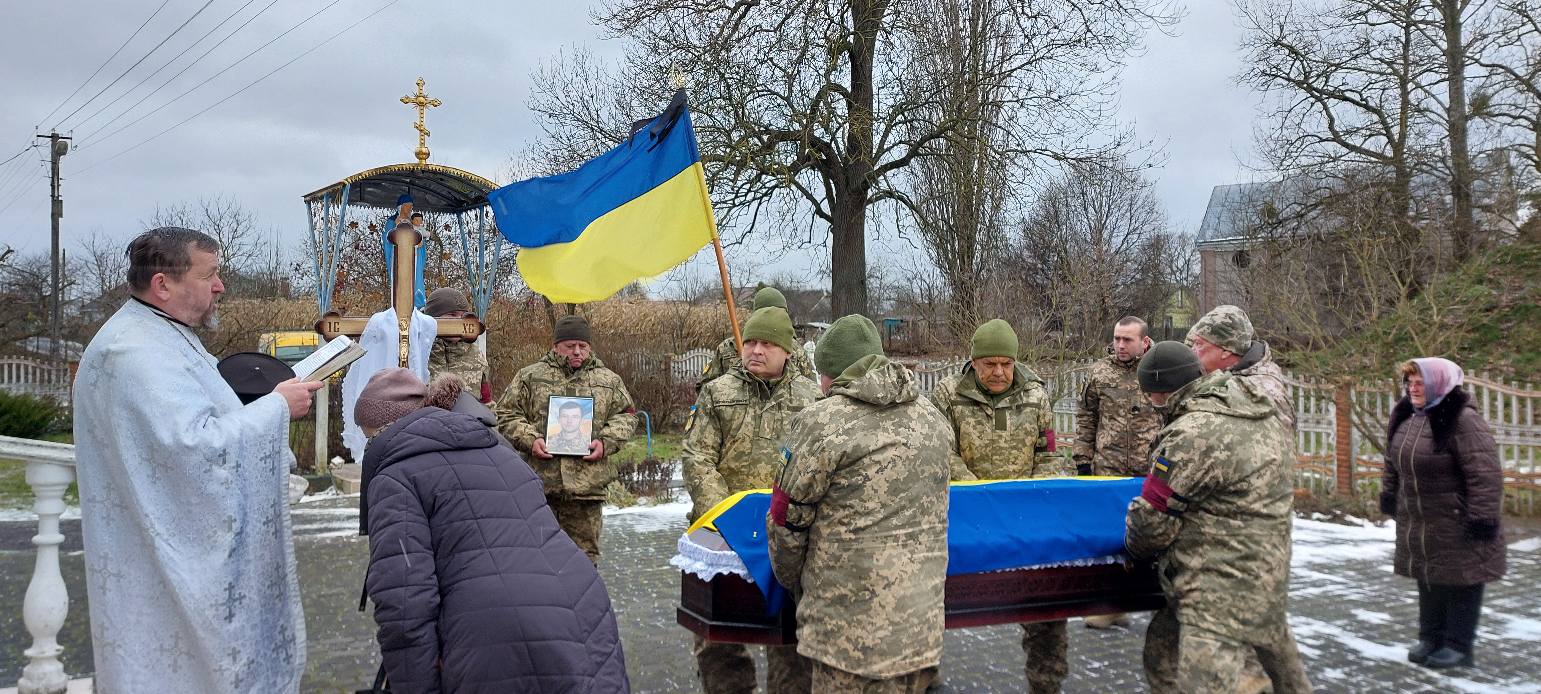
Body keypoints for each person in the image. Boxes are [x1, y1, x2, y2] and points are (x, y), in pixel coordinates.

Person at [73, 227, 325, 692]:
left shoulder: (161, 333)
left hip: (167, 546)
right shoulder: (133, 352)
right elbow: (193, 449)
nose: (220, 286)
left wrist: (262, 402)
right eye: (209, 275)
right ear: (163, 284)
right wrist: (276, 408)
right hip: (160, 561)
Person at [355, 369, 630, 693]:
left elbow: (404, 606)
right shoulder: (501, 452)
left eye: (369, 437)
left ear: (385, 429)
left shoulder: (395, 477)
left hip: (498, 631)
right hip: (584, 606)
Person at [767, 314, 953, 693]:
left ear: (830, 374)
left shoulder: (821, 422)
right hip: (920, 629)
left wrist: (793, 584)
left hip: (847, 640)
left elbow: (786, 522)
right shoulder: (933, 419)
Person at [1125, 342, 1312, 693]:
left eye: (1150, 394)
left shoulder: (1191, 433)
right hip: (1267, 573)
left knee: (1200, 682)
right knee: (1162, 653)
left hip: (1214, 589)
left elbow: (1152, 522)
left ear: (1161, 391)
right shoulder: (1259, 410)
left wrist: (1132, 546)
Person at [683, 306, 818, 693]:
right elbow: (697, 457)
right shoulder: (717, 393)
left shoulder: (813, 399)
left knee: (791, 640)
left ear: (787, 351)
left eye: (767, 344)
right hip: (721, 532)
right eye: (750, 342)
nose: (756, 350)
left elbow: (818, 466)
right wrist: (726, 516)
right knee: (718, 638)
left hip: (787, 537)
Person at [927, 319, 1067, 693]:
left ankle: (1047, 682)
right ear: (973, 362)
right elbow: (941, 452)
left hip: (1024, 518)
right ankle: (925, 673)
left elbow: (1049, 453)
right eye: (990, 364)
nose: (1000, 372)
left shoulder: (1035, 395)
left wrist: (1037, 497)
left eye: (1007, 363)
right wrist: (981, 495)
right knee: (933, 601)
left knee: (1045, 609)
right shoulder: (948, 395)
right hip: (964, 514)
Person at [1380, 358, 1506, 670]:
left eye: (1420, 383)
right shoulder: (1407, 416)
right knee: (1429, 577)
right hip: (1422, 519)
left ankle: (1458, 646)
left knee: (1462, 579)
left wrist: (1482, 520)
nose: (1413, 388)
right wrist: (1389, 494)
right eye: (1410, 382)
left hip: (1457, 518)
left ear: (1439, 384)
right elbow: (1392, 463)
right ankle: (1431, 638)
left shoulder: (1462, 420)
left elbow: (1485, 475)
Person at [496, 315, 637, 564]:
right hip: (540, 488)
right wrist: (530, 439)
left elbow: (626, 416)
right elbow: (505, 413)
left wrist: (605, 442)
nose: (577, 351)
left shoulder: (608, 381)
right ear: (555, 346)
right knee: (537, 560)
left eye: (583, 346)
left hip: (586, 491)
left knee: (584, 562)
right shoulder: (530, 376)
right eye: (570, 345)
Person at [1074, 316, 1162, 630]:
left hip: (1148, 471)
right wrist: (1083, 460)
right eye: (1117, 339)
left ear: (1144, 342)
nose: (1120, 345)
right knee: (1110, 538)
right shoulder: (1100, 373)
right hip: (1108, 469)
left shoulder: (1158, 370)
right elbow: (1086, 416)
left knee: (1150, 538)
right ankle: (1111, 604)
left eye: (1128, 340)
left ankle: (1157, 601)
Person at [1187, 305, 1295, 430]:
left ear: (1226, 351)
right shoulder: (1228, 374)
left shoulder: (1262, 388)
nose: (1192, 351)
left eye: (1199, 344)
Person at [697, 286, 815, 390]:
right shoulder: (728, 347)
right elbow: (705, 387)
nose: (757, 350)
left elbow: (810, 390)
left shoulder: (793, 349)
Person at [424, 287, 489, 401]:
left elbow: (486, 400)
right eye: (452, 315)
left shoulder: (476, 356)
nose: (460, 321)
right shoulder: (418, 353)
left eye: (463, 316)